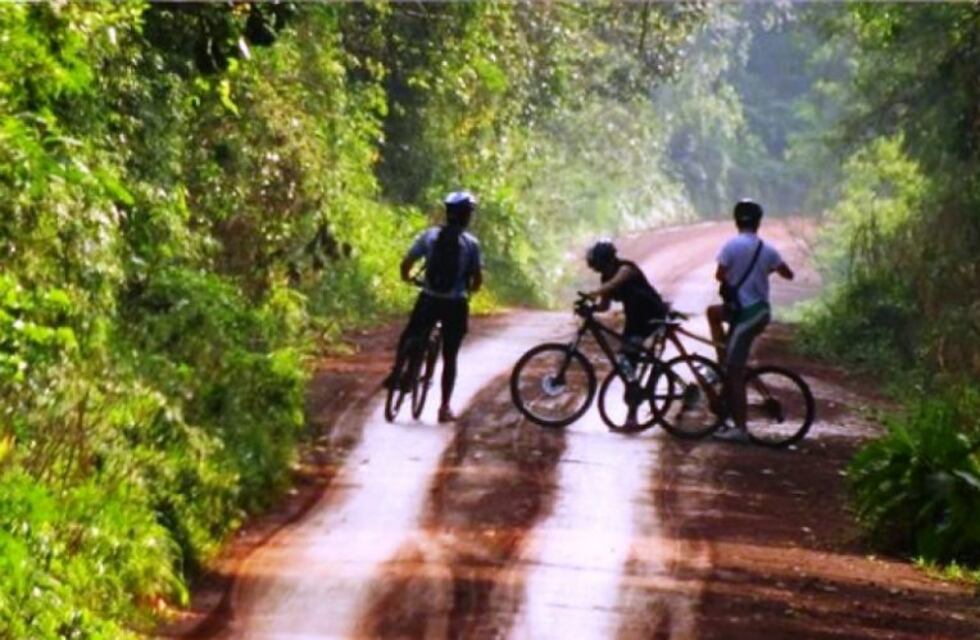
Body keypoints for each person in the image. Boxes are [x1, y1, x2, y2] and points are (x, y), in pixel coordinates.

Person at [386, 191, 483, 423]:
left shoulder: (430, 236)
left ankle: (399, 370)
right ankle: (444, 408)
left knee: (411, 332)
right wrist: (470, 289)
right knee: (450, 356)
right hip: (455, 304)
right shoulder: (471, 244)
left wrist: (408, 278)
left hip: (429, 299)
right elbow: (477, 279)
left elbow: (406, 263)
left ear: (448, 213)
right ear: (466, 216)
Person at [707, 199, 794, 441]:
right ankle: (723, 356)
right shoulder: (767, 249)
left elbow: (719, 274)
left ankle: (741, 429)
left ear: (736, 221)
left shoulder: (731, 246)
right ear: (758, 222)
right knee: (713, 313)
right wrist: (765, 270)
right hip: (760, 312)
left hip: (746, 315)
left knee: (734, 374)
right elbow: (788, 274)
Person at [583, 239, 669, 429]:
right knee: (627, 363)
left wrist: (593, 293)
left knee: (628, 359)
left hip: (651, 315)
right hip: (635, 318)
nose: (600, 270)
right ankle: (634, 394)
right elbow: (605, 305)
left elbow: (614, 284)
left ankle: (633, 413)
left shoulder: (626, 269)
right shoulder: (606, 277)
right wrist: (591, 309)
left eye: (601, 265)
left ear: (609, 260)